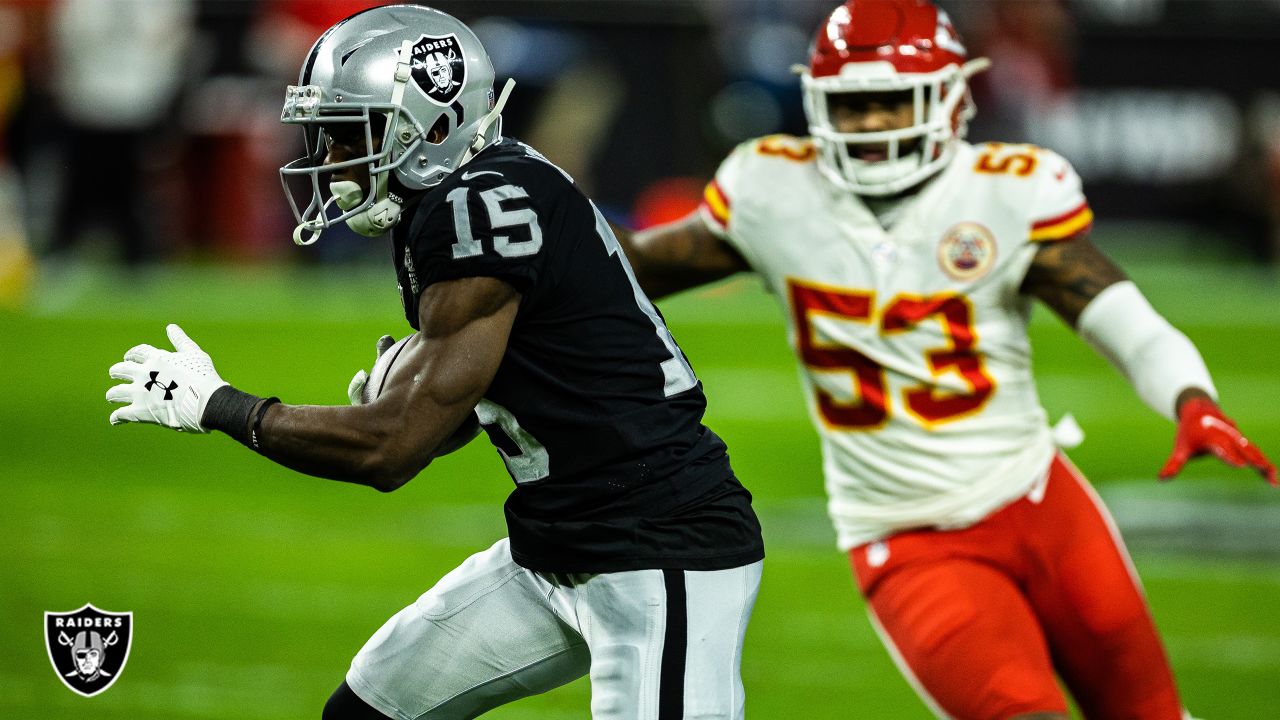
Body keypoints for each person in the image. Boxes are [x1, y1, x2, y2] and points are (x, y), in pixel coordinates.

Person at [617, 1, 1276, 718]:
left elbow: (1117, 314)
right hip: (906, 538)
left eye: (892, 100)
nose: (872, 124)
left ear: (952, 96)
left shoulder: (1006, 189)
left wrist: (1191, 396)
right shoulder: (775, 189)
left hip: (1041, 501)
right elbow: (620, 268)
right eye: (852, 104)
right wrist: (539, 222)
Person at [104, 6, 763, 720]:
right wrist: (422, 395)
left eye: (351, 134)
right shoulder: (471, 189)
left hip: (659, 551)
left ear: (434, 127)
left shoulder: (475, 210)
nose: (330, 161)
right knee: (368, 711)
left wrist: (220, 406)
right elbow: (469, 410)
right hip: (557, 542)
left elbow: (391, 450)